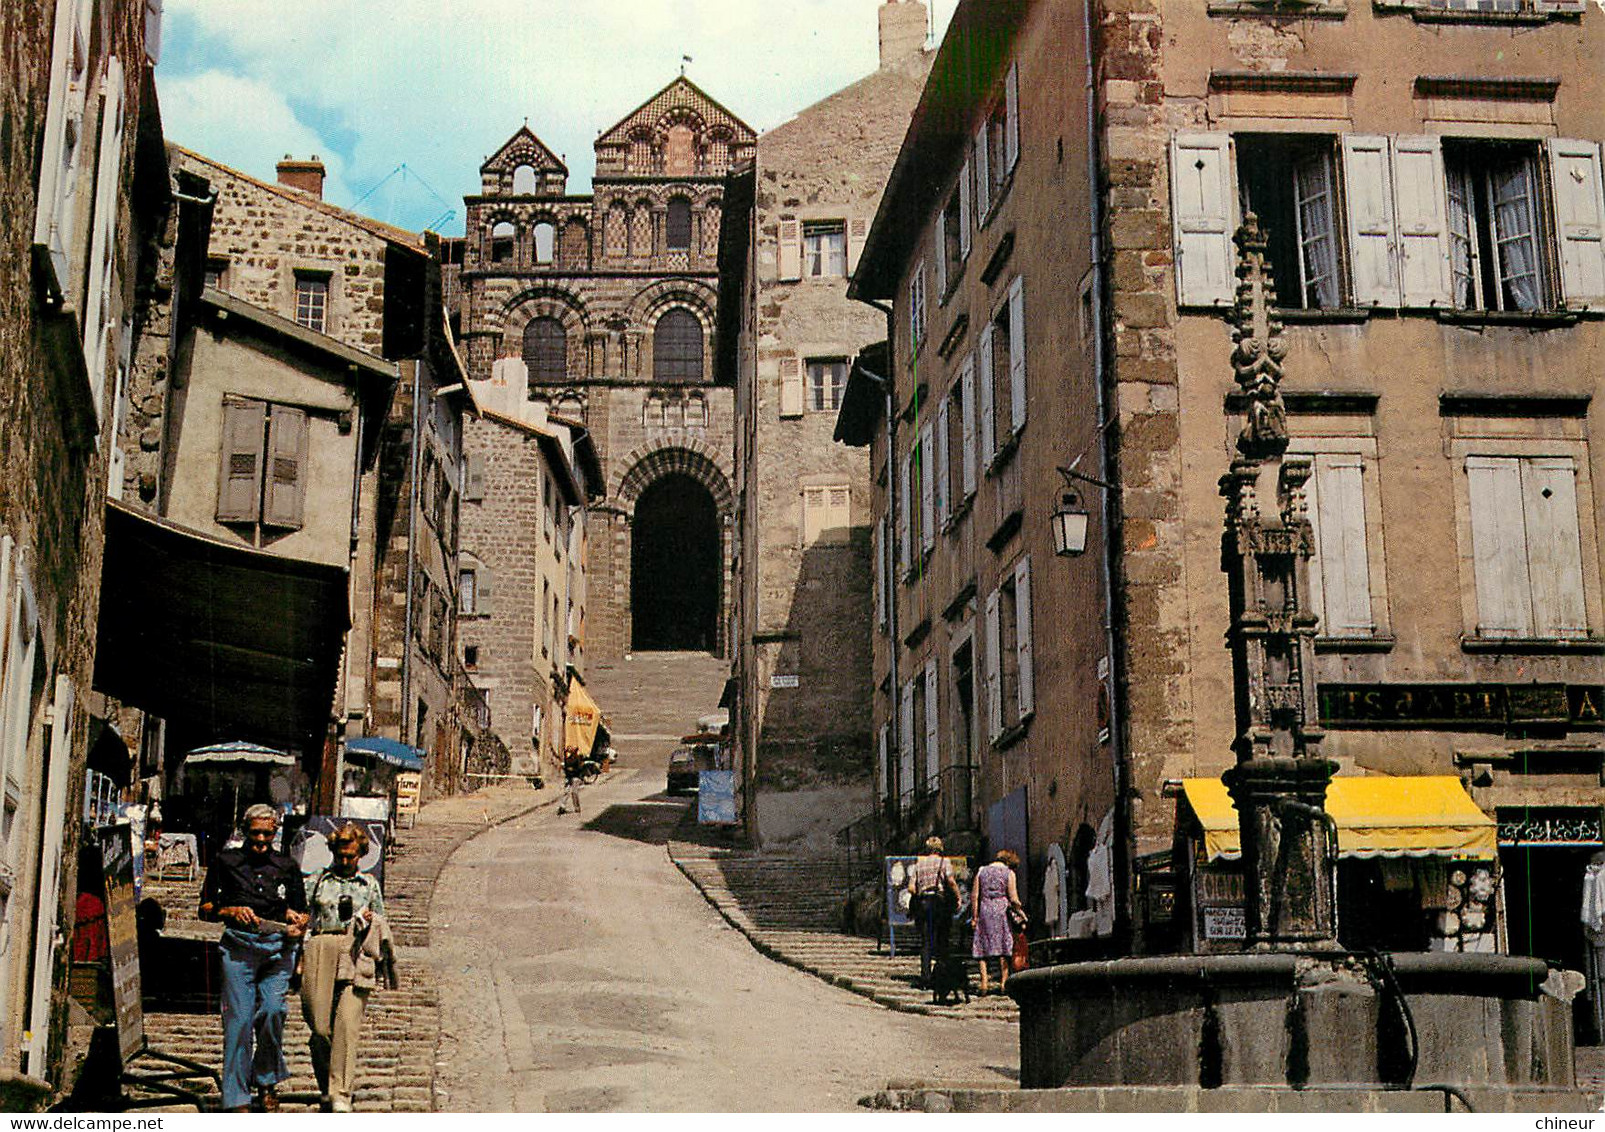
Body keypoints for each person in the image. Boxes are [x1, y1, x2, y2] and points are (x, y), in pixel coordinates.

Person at [199, 803, 309, 1112]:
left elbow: (302, 913)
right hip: (238, 948)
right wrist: (230, 910)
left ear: (276, 832)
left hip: (277, 950)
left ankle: (266, 1080)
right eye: (255, 833)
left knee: (273, 1012)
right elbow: (205, 909)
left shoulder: (287, 866)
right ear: (245, 831)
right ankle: (237, 1098)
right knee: (239, 1021)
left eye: (267, 833)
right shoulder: (226, 861)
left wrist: (297, 919)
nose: (261, 840)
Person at [301, 824, 387, 1113]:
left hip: (356, 950)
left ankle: (341, 1093)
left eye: (352, 856)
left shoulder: (369, 885)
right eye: (341, 855)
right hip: (322, 946)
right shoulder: (318, 881)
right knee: (320, 1027)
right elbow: (303, 917)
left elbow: (383, 923)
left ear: (360, 855)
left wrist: (369, 921)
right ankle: (327, 1082)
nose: (346, 861)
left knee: (347, 1024)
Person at [905, 836, 961, 988]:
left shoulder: (919, 864)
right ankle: (941, 976)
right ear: (940, 848)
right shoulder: (945, 862)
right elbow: (950, 881)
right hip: (939, 902)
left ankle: (926, 977)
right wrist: (958, 897)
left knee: (926, 941)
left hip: (923, 904)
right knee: (942, 940)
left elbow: (911, 888)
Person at [970, 848, 1025, 995]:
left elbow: (975, 896)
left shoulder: (981, 871)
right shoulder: (1009, 873)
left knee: (982, 947)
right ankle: (1003, 983)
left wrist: (974, 917)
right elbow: (1013, 898)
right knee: (1004, 947)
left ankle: (984, 983)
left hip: (985, 909)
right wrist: (1021, 911)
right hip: (1001, 910)